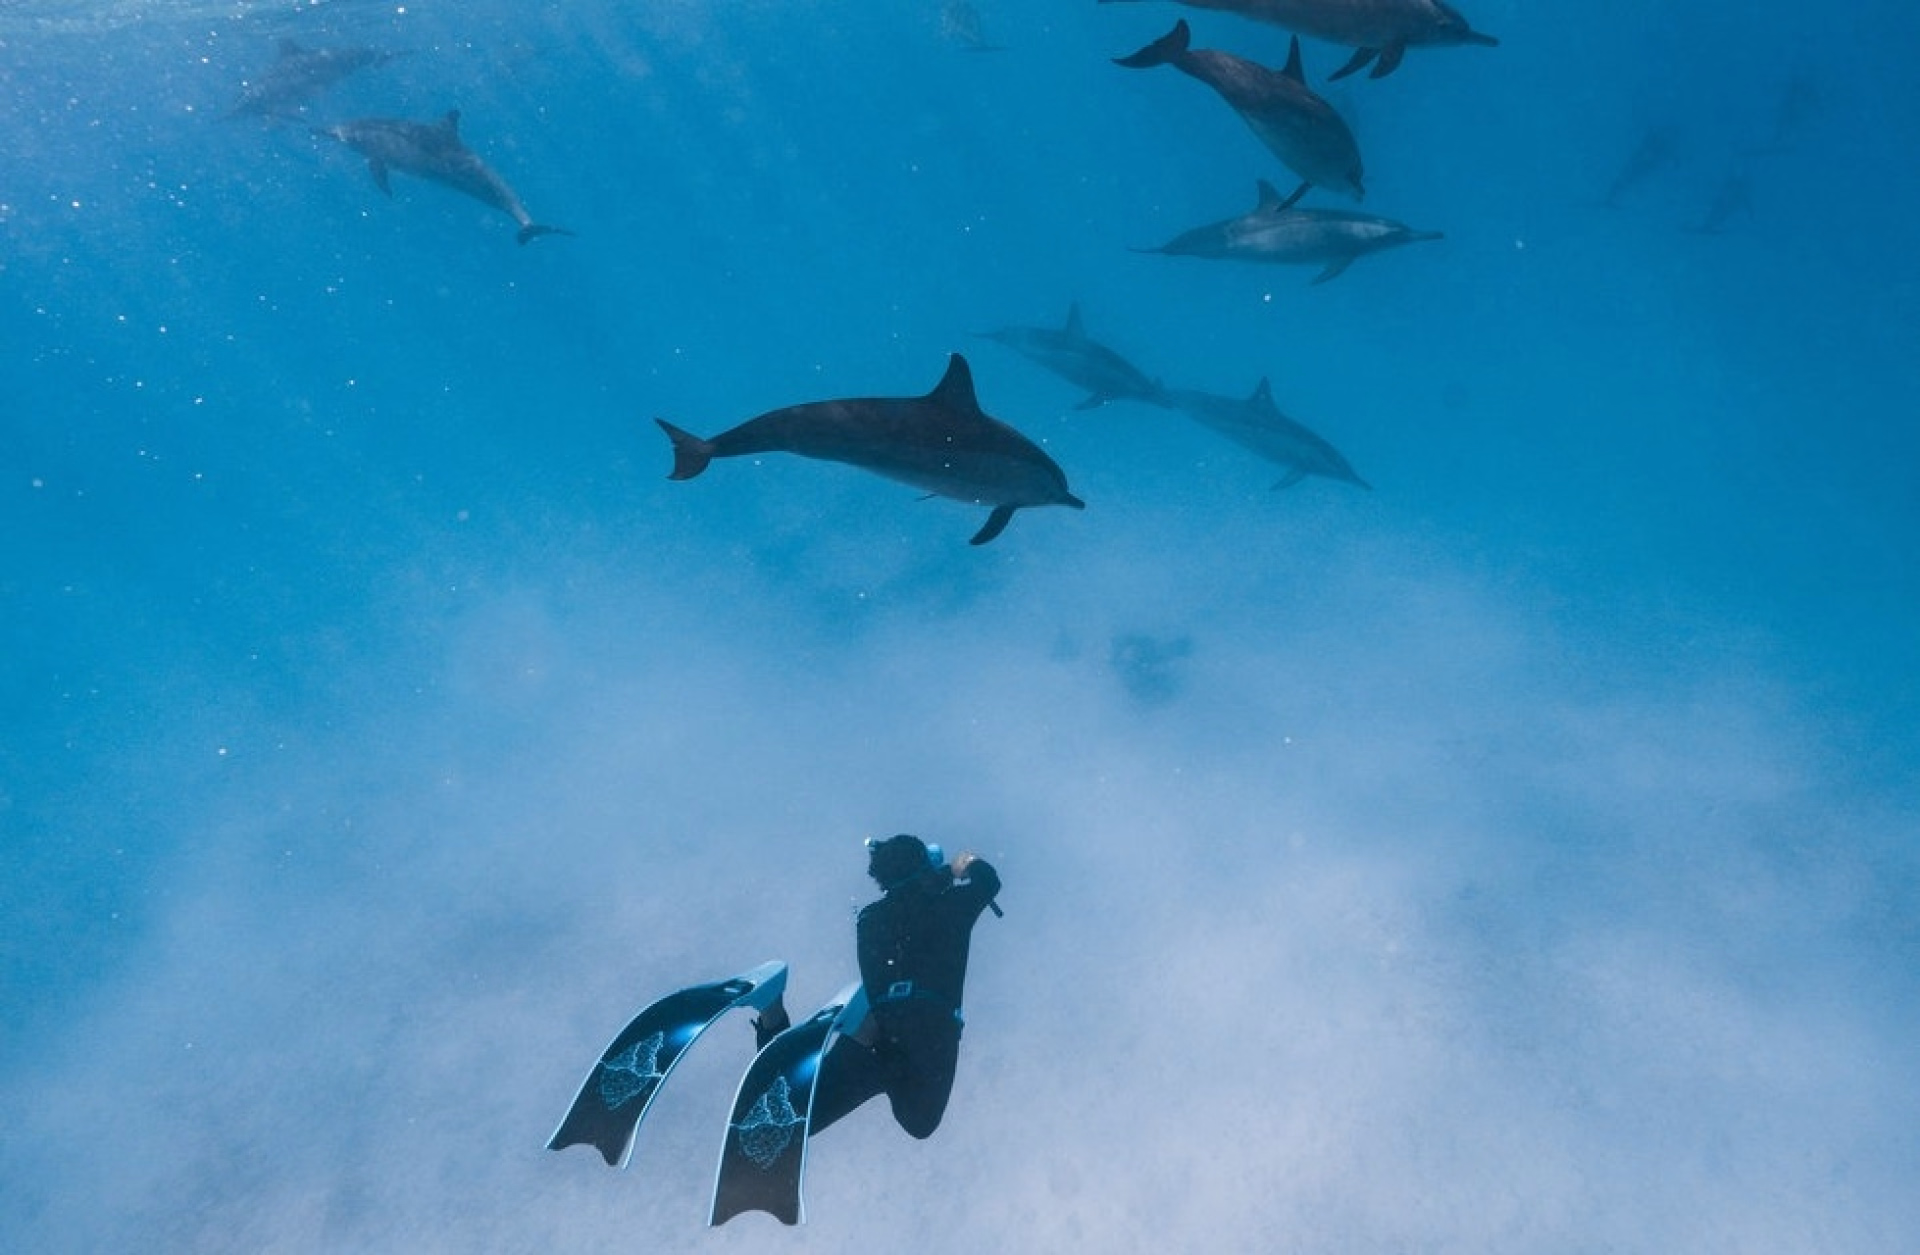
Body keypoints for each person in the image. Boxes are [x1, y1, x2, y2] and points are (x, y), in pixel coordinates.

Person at [752, 833, 1001, 1139]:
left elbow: (906, 900)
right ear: (925, 868)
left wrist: (936, 876)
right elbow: (988, 882)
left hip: (877, 1028)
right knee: (920, 1122)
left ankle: (771, 1009)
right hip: (927, 1031)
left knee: (792, 1116)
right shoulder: (951, 907)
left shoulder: (869, 919)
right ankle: (859, 1037)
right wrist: (963, 864)